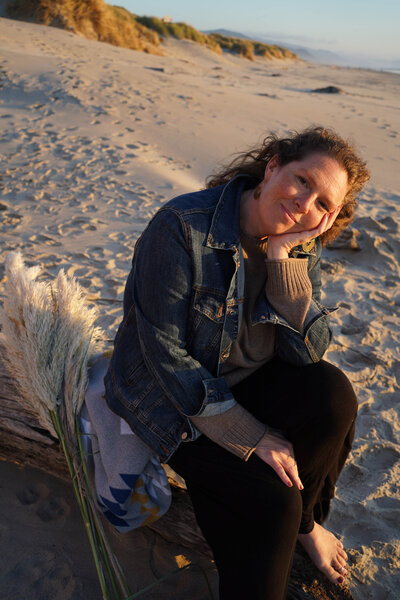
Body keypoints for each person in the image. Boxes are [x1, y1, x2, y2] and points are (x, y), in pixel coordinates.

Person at [104, 126, 370, 600]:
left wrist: (282, 259)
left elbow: (306, 353)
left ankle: (307, 523)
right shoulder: (182, 226)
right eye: (303, 181)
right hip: (170, 398)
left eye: (324, 204)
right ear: (272, 166)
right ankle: (290, 520)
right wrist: (246, 433)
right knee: (274, 500)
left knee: (334, 398)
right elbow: (163, 353)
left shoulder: (298, 243)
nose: (306, 204)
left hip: (243, 380)